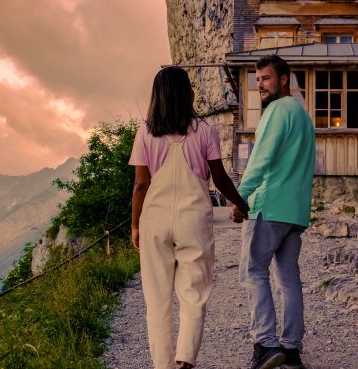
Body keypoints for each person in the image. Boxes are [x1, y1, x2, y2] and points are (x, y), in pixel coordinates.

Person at [130, 66, 250, 369]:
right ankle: (184, 360)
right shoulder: (205, 131)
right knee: (194, 293)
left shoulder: (145, 132)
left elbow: (141, 185)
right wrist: (241, 203)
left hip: (154, 220)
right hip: (193, 221)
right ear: (187, 94)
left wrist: (135, 225)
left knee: (157, 300)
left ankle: (163, 365)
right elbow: (219, 179)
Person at [232, 54, 315, 369]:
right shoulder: (302, 116)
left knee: (253, 272)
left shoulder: (277, 110)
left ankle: (266, 344)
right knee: (289, 279)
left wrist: (241, 197)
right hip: (295, 212)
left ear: (283, 79)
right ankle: (291, 349)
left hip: (269, 206)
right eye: (257, 80)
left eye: (265, 78)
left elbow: (261, 158)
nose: (260, 85)